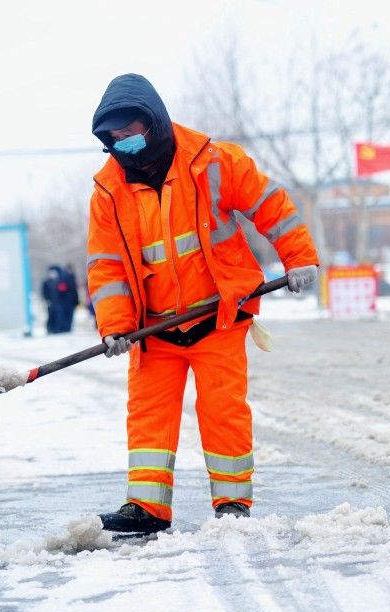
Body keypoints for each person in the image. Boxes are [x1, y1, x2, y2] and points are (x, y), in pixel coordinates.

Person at [87, 73, 319, 534]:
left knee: (223, 410)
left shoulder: (212, 161)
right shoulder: (109, 191)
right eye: (114, 140)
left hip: (218, 316)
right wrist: (114, 325)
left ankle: (232, 503)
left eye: (129, 135)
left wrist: (299, 258)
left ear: (153, 124)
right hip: (153, 330)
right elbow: (106, 265)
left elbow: (270, 204)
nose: (123, 146)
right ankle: (148, 508)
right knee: (148, 415)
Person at [41, 265, 69, 334]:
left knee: (59, 316)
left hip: (59, 302)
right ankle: (50, 329)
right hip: (50, 302)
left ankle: (58, 329)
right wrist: (47, 300)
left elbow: (63, 292)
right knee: (51, 316)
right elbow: (44, 292)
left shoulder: (59, 281)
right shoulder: (46, 282)